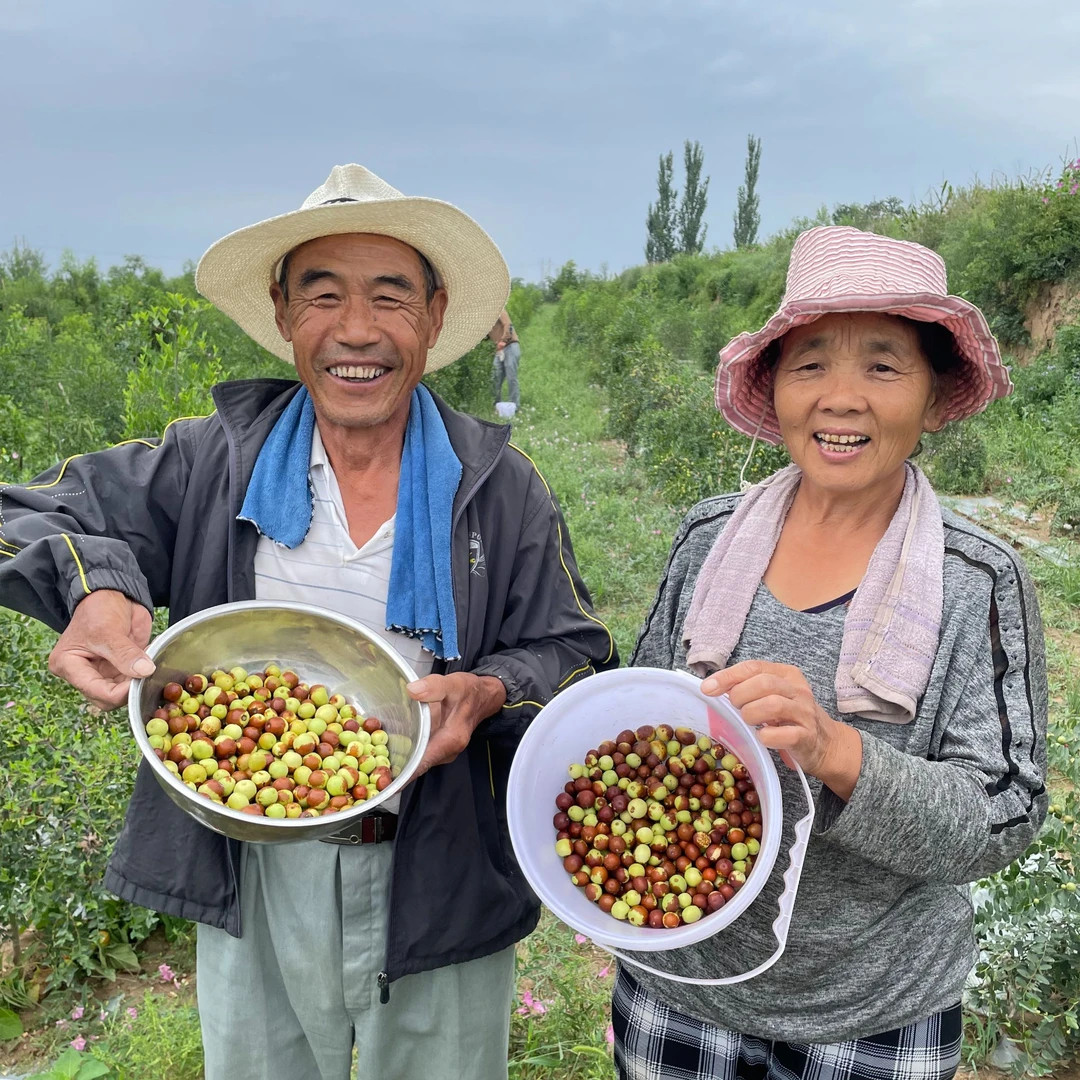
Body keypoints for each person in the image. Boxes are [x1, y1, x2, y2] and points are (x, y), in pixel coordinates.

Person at [0, 163, 617, 1080]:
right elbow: (30, 510)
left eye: (389, 297)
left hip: (439, 860)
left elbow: (575, 655)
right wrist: (98, 588)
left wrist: (492, 690)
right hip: (254, 858)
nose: (356, 331)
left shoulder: (502, 489)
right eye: (322, 295)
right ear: (285, 315)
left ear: (436, 316)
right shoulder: (211, 460)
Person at [616, 226, 1047, 1080]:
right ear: (773, 387)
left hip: (876, 1017)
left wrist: (836, 750)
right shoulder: (709, 540)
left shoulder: (978, 582)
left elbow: (1004, 816)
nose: (840, 399)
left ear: (933, 398)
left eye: (883, 367)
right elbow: (638, 729)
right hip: (680, 989)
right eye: (809, 364)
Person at [489, 307, 521, 410]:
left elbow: (508, 325)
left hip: (510, 346)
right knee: (495, 376)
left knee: (511, 377)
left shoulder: (498, 309)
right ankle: (496, 405)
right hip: (500, 349)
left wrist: (503, 341)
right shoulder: (486, 318)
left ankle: (515, 406)